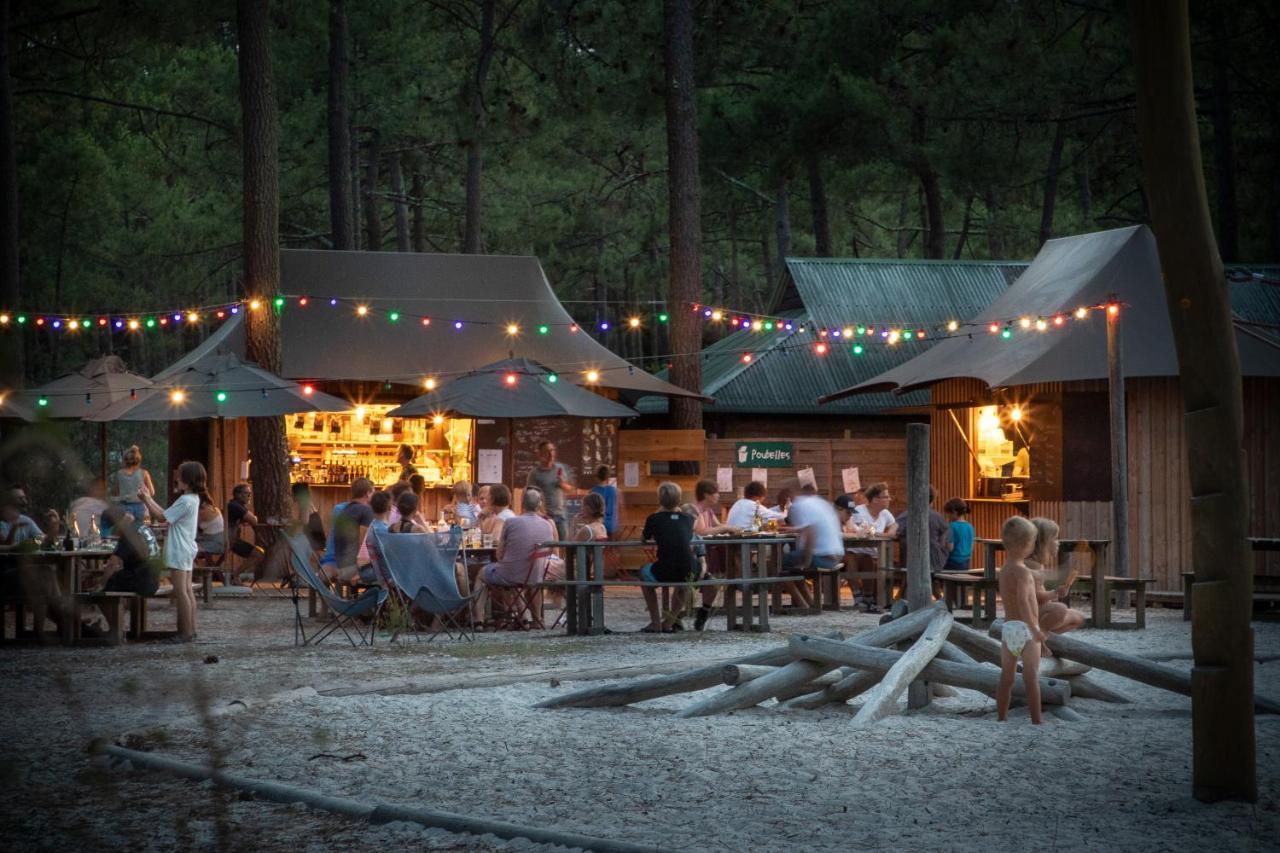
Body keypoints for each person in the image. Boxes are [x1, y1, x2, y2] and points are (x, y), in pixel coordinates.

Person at [137, 461, 206, 642]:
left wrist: (146, 499)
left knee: (180, 591)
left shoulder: (185, 501)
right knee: (187, 590)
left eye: (180, 476)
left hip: (179, 548)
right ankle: (191, 629)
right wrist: (149, 500)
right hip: (187, 547)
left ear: (188, 480)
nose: (177, 479)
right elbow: (167, 515)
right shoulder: (193, 499)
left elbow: (162, 516)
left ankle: (185, 632)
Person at [477, 487, 563, 620]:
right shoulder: (547, 525)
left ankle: (478, 620)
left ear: (522, 503)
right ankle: (534, 620)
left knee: (481, 574)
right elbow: (550, 552)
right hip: (536, 575)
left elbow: (499, 556)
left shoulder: (511, 522)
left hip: (511, 576)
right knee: (521, 571)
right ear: (539, 504)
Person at [996, 515, 1046, 724]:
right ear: (1027, 545)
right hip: (1026, 629)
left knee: (1006, 678)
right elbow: (1024, 603)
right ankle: (1036, 719)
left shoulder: (1004, 570)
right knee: (1031, 677)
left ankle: (1002, 717)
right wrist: (1035, 629)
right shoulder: (1024, 573)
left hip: (1009, 629)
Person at [639, 482, 701, 633]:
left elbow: (643, 538)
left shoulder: (654, 518)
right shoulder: (689, 519)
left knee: (643, 574)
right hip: (689, 567)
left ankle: (655, 622)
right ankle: (669, 621)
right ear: (679, 500)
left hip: (665, 568)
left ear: (659, 500)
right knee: (684, 582)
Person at [1028, 517, 1085, 637]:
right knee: (1062, 610)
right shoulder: (1032, 566)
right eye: (1054, 539)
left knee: (1078, 617)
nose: (1058, 543)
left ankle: (1046, 638)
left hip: (1038, 611)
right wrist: (1054, 593)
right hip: (1032, 614)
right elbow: (1036, 597)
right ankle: (1041, 637)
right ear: (1042, 543)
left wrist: (1059, 592)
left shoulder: (1037, 564)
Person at [847, 482, 898, 612]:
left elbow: (894, 528)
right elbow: (854, 528)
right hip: (856, 552)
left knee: (879, 562)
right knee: (861, 558)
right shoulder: (858, 511)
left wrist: (882, 533)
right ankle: (862, 597)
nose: (889, 499)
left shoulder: (885, 513)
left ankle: (873, 599)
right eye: (885, 497)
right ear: (875, 499)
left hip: (876, 553)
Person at [99, 505, 161, 598]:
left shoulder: (129, 534)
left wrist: (101, 585)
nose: (115, 533)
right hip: (155, 580)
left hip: (141, 582)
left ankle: (116, 612)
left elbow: (113, 564)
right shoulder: (141, 526)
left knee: (103, 593)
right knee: (117, 577)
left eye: (114, 530)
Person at [895, 485, 949, 574]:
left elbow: (894, 530)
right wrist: (941, 548)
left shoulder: (907, 515)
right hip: (935, 561)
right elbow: (947, 534)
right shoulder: (937, 517)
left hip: (911, 560)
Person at [526, 440, 573, 541]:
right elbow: (530, 494)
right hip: (544, 516)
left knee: (564, 544)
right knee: (545, 544)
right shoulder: (535, 473)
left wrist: (562, 483)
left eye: (552, 450)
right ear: (540, 454)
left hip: (561, 515)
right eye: (547, 451)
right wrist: (541, 511)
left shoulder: (560, 468)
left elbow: (570, 489)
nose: (551, 454)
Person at [329, 477, 374, 583]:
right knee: (390, 573)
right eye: (373, 493)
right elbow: (363, 544)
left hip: (341, 567)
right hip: (354, 571)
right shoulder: (366, 511)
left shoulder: (344, 510)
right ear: (367, 493)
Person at [226, 483, 266, 583]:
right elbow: (254, 520)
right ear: (238, 494)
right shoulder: (235, 506)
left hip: (230, 539)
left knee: (258, 552)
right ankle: (235, 576)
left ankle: (235, 576)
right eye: (247, 493)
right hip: (230, 540)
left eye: (250, 494)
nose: (249, 496)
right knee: (259, 554)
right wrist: (253, 518)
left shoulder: (234, 505)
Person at [109, 445, 155, 523]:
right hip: (140, 507)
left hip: (124, 507)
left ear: (125, 460)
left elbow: (117, 492)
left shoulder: (119, 474)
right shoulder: (144, 473)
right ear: (138, 460)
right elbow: (152, 492)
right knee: (139, 530)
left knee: (126, 532)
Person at [0, 487, 43, 551]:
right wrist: (20, 546)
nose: (25, 502)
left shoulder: (26, 520)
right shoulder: (2, 523)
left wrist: (35, 542)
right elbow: (6, 545)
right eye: (20, 499)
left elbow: (41, 537)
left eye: (24, 498)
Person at [942, 498, 974, 571]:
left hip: (952, 563)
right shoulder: (970, 526)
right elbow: (971, 548)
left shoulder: (951, 526)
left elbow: (950, 548)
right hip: (966, 563)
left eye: (948, 513)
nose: (947, 516)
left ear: (954, 512)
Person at [589, 465, 619, 537]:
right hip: (612, 525)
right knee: (610, 547)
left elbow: (591, 510)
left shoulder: (593, 491)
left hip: (597, 526)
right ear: (607, 476)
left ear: (597, 477)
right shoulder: (613, 490)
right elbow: (613, 508)